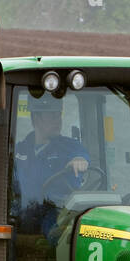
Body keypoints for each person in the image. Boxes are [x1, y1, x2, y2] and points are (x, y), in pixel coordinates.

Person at [14, 94, 90, 238]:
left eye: (58, 115)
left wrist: (79, 160)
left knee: (59, 233)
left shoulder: (69, 147)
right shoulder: (20, 150)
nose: (58, 120)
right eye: (52, 116)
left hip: (56, 210)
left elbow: (81, 156)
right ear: (36, 118)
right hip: (24, 213)